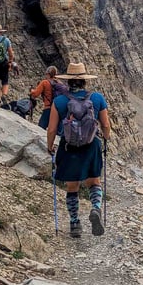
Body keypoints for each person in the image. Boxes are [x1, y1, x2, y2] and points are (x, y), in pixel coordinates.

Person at [47, 62, 110, 238]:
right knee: (94, 182)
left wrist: (50, 146)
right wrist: (106, 139)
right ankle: (96, 208)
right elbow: (105, 124)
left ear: (68, 81)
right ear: (84, 80)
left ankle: (75, 223)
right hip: (91, 146)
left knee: (72, 186)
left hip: (69, 147)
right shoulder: (97, 98)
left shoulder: (59, 101)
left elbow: (51, 129)